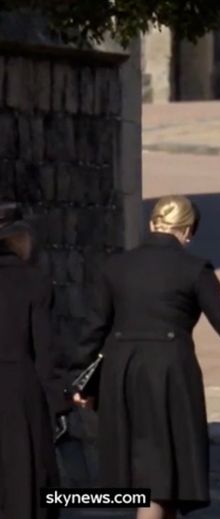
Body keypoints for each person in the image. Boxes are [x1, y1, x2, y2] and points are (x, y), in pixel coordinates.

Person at [70, 196, 220, 519]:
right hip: (169, 374)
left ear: (151, 224)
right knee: (161, 474)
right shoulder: (194, 270)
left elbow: (93, 328)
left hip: (121, 374)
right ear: (187, 231)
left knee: (145, 472)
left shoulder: (116, 266)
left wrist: (80, 382)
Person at [0, 203, 66, 519]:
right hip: (18, 392)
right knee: (25, 480)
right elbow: (44, 353)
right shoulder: (34, 282)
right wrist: (59, 404)